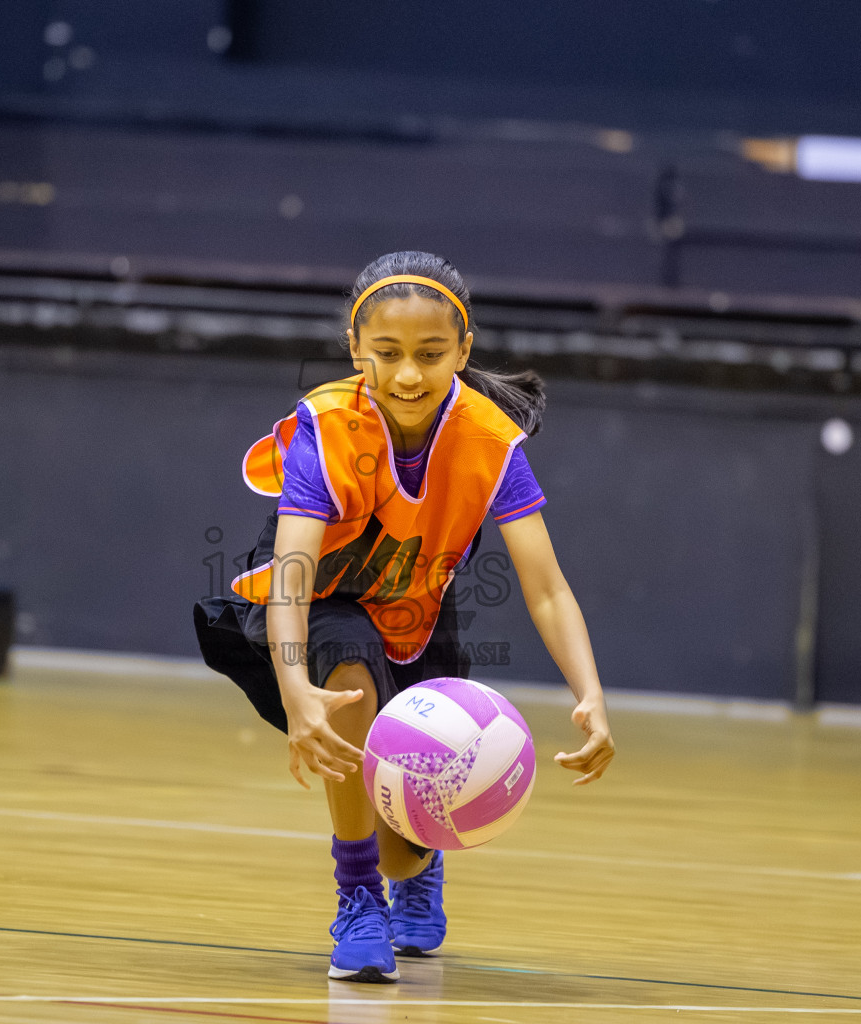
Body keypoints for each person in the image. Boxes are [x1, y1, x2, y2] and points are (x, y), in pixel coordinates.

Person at [194, 250, 615, 984]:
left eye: (430, 354)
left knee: (404, 840)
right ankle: (357, 901)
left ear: (464, 350)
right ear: (357, 350)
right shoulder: (328, 427)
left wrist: (591, 694)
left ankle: (415, 867)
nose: (409, 375)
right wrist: (295, 687)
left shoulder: (490, 442)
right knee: (347, 680)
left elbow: (545, 586)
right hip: (318, 600)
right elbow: (295, 569)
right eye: (387, 354)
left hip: (416, 610)